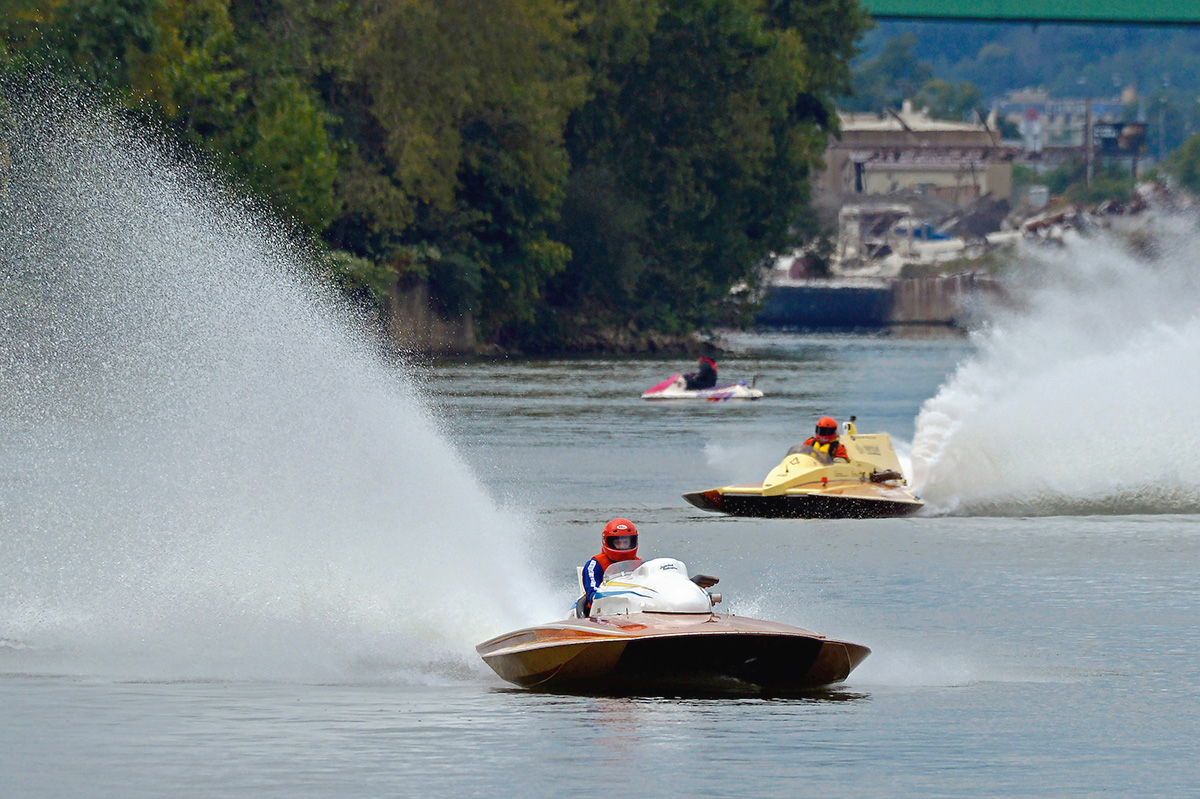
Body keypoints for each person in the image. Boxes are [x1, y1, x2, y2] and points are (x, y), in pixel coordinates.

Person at [579, 518, 640, 617]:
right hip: (600, 614)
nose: (622, 546)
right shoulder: (595, 565)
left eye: (625, 542)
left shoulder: (639, 565)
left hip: (634, 610)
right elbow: (592, 592)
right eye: (618, 543)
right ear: (608, 542)